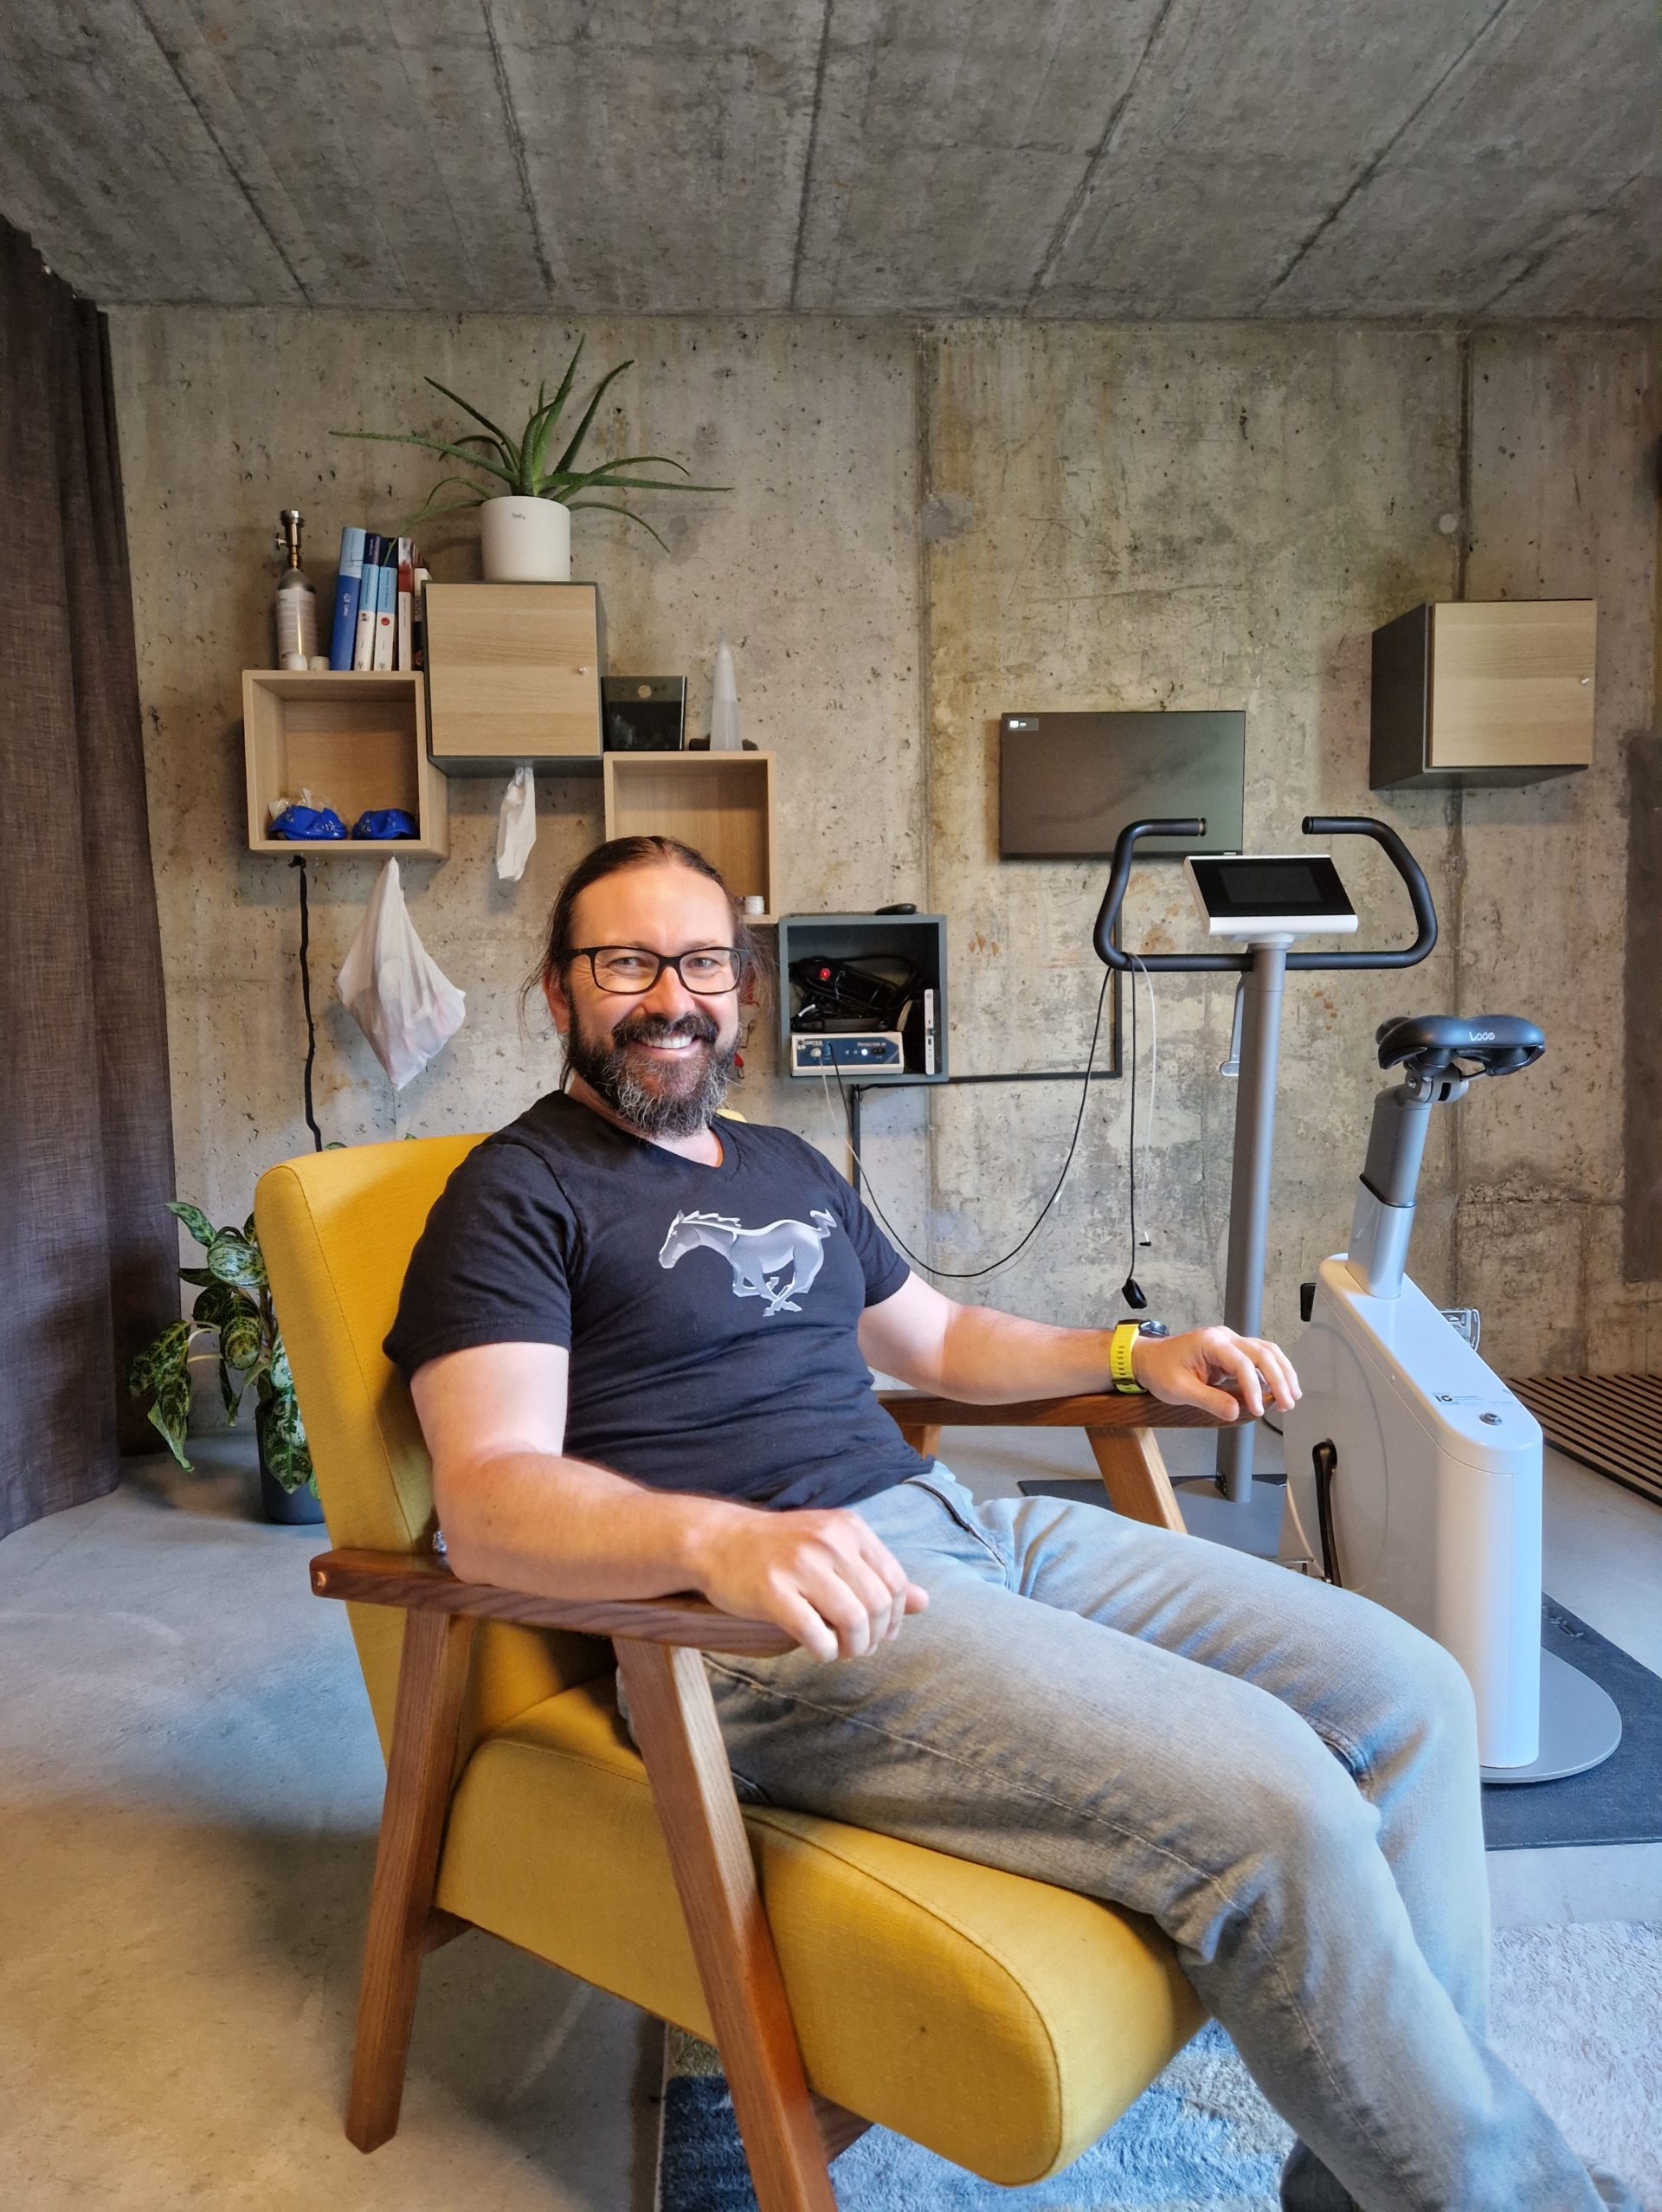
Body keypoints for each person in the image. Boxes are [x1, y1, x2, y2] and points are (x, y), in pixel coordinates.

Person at [386, 835, 1631, 2212]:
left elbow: (939, 1340)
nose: (671, 997)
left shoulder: (786, 1164)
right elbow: (488, 1498)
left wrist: (1130, 1356)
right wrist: (717, 1542)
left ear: (741, 988)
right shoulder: (516, 1192)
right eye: (626, 963)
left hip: (967, 1530)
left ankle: (1373, 2181)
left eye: (701, 963)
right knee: (1274, 1804)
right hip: (768, 1623)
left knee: (1415, 1694)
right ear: (558, 990)